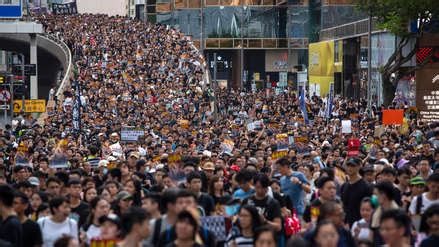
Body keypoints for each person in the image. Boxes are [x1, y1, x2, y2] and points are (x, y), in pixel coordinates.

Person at [340, 158, 372, 226]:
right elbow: (343, 205)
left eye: (352, 166)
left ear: (359, 166)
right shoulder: (344, 186)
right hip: (346, 224)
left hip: (361, 224)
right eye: (348, 165)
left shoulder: (366, 186)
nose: (349, 168)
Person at [369, 181, 400, 246]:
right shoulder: (375, 213)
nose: (374, 197)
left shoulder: (398, 214)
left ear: (384, 194)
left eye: (376, 194)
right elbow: (371, 236)